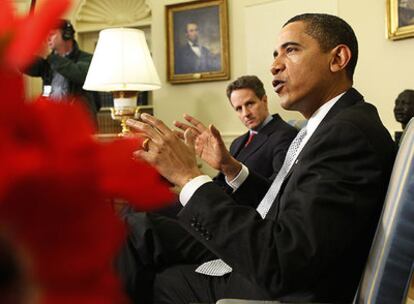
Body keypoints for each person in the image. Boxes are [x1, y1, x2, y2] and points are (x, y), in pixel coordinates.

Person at [124, 13, 396, 303]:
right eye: (275, 54)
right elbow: (288, 205)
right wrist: (230, 168)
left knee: (157, 279)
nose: (274, 65)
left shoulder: (347, 135)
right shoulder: (331, 126)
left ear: (338, 58)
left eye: (291, 50)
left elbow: (282, 260)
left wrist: (187, 177)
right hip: (261, 247)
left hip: (274, 283)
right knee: (137, 229)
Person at [176, 75, 297, 192]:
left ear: (264, 100)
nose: (245, 113)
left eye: (250, 104)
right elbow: (221, 183)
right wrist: (193, 179)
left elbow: (278, 191)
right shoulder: (237, 142)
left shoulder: (286, 134)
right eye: (239, 108)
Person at [24, 19, 99, 117]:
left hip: (78, 121)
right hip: (52, 119)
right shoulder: (47, 62)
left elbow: (77, 73)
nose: (48, 38)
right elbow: (27, 66)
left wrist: (48, 56)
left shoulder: (87, 59)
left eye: (51, 34)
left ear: (67, 34)